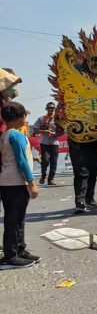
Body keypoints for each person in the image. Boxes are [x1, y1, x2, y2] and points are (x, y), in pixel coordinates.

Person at [0, 101, 40, 269]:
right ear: (20, 117)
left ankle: (20, 249)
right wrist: (31, 183)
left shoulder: (6, 134)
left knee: (17, 218)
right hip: (16, 182)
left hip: (7, 182)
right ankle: (10, 256)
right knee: (14, 220)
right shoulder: (16, 136)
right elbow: (21, 161)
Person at [31, 102, 60, 186]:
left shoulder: (58, 119)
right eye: (49, 108)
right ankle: (43, 176)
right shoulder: (41, 119)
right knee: (45, 161)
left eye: (52, 108)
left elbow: (63, 130)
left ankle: (51, 179)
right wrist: (45, 131)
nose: (51, 109)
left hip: (54, 143)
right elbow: (35, 129)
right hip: (44, 143)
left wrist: (56, 133)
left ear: (54, 109)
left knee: (54, 162)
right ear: (46, 109)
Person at [70, 138, 97, 214]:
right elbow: (60, 128)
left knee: (93, 172)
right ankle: (79, 202)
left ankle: (89, 199)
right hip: (76, 143)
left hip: (94, 142)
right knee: (80, 173)